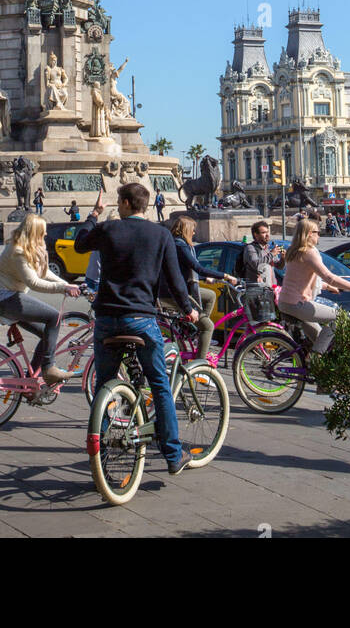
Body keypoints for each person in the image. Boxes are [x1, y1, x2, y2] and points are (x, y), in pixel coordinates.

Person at [75, 183, 199, 477]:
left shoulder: (109, 229)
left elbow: (80, 243)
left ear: (128, 203)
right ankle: (172, 453)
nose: (117, 205)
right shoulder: (161, 234)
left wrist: (93, 215)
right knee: (159, 386)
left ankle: (101, 453)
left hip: (106, 318)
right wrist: (189, 310)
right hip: (141, 320)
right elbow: (176, 280)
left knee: (104, 382)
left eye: (119, 201)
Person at [0, 213, 80, 383]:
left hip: (11, 297)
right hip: (4, 299)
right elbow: (34, 282)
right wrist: (63, 288)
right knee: (54, 317)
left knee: (47, 334)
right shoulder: (17, 251)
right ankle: (49, 368)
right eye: (43, 232)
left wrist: (68, 285)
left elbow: (44, 273)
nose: (46, 235)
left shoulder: (29, 248)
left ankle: (31, 379)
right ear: (35, 232)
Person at [277, 218, 350, 355]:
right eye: (317, 232)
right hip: (298, 304)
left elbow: (301, 279)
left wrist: (328, 287)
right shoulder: (309, 252)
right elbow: (330, 277)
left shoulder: (293, 251)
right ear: (309, 234)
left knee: (320, 339)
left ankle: (311, 367)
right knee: (341, 317)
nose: (319, 235)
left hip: (286, 302)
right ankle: (314, 361)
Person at [159, 215, 236, 360]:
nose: (194, 233)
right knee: (208, 327)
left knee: (211, 295)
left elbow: (185, 269)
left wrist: (203, 278)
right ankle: (200, 365)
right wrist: (225, 276)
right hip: (174, 293)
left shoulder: (179, 244)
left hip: (178, 288)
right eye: (193, 230)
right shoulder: (179, 245)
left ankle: (194, 330)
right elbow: (197, 267)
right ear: (186, 230)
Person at [239, 219, 283, 326]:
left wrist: (283, 258)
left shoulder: (267, 249)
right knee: (256, 324)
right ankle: (252, 342)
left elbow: (279, 266)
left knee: (268, 323)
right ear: (256, 235)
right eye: (263, 233)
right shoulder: (250, 248)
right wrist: (272, 254)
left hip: (268, 291)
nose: (267, 235)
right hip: (256, 292)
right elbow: (256, 264)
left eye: (268, 232)